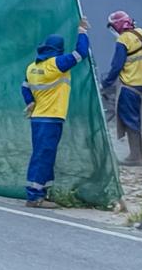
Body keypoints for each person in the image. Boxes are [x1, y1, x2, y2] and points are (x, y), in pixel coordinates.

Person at [21, 19, 90, 209]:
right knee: (43, 156)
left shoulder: (32, 67)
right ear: (58, 49)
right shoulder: (56, 64)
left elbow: (24, 87)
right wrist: (82, 31)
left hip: (37, 118)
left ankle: (43, 192)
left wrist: (30, 102)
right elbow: (81, 53)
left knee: (44, 154)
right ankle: (34, 196)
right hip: (51, 117)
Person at [100, 10, 142, 166]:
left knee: (130, 120)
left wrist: (105, 84)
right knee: (137, 119)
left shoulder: (123, 40)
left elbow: (116, 66)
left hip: (128, 86)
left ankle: (135, 156)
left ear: (118, 25)